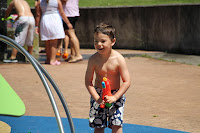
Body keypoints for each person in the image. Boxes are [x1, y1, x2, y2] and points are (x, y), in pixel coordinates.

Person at [85, 22, 131, 133]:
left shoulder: (118, 59)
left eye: (103, 41)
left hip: (116, 94)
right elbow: (88, 82)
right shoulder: (93, 60)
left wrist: (115, 97)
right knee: (98, 125)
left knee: (116, 124)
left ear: (113, 42)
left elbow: (127, 81)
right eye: (96, 41)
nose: (99, 44)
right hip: (98, 94)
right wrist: (97, 98)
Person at [35, 0, 73, 65]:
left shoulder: (40, 2)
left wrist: (36, 26)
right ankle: (53, 60)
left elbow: (38, 15)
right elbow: (62, 13)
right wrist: (68, 23)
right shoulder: (57, 1)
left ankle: (48, 59)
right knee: (54, 43)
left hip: (45, 20)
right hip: (55, 20)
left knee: (47, 42)